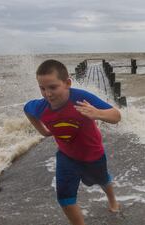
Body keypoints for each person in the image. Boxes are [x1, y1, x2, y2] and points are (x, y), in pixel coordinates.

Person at [23, 59, 121, 225]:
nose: (47, 93)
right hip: (66, 156)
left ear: (67, 83)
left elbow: (116, 116)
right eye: (42, 88)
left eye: (53, 87)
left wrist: (97, 113)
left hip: (92, 154)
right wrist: (43, 131)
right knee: (65, 197)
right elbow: (27, 109)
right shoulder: (40, 107)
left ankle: (112, 199)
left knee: (102, 180)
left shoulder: (81, 99)